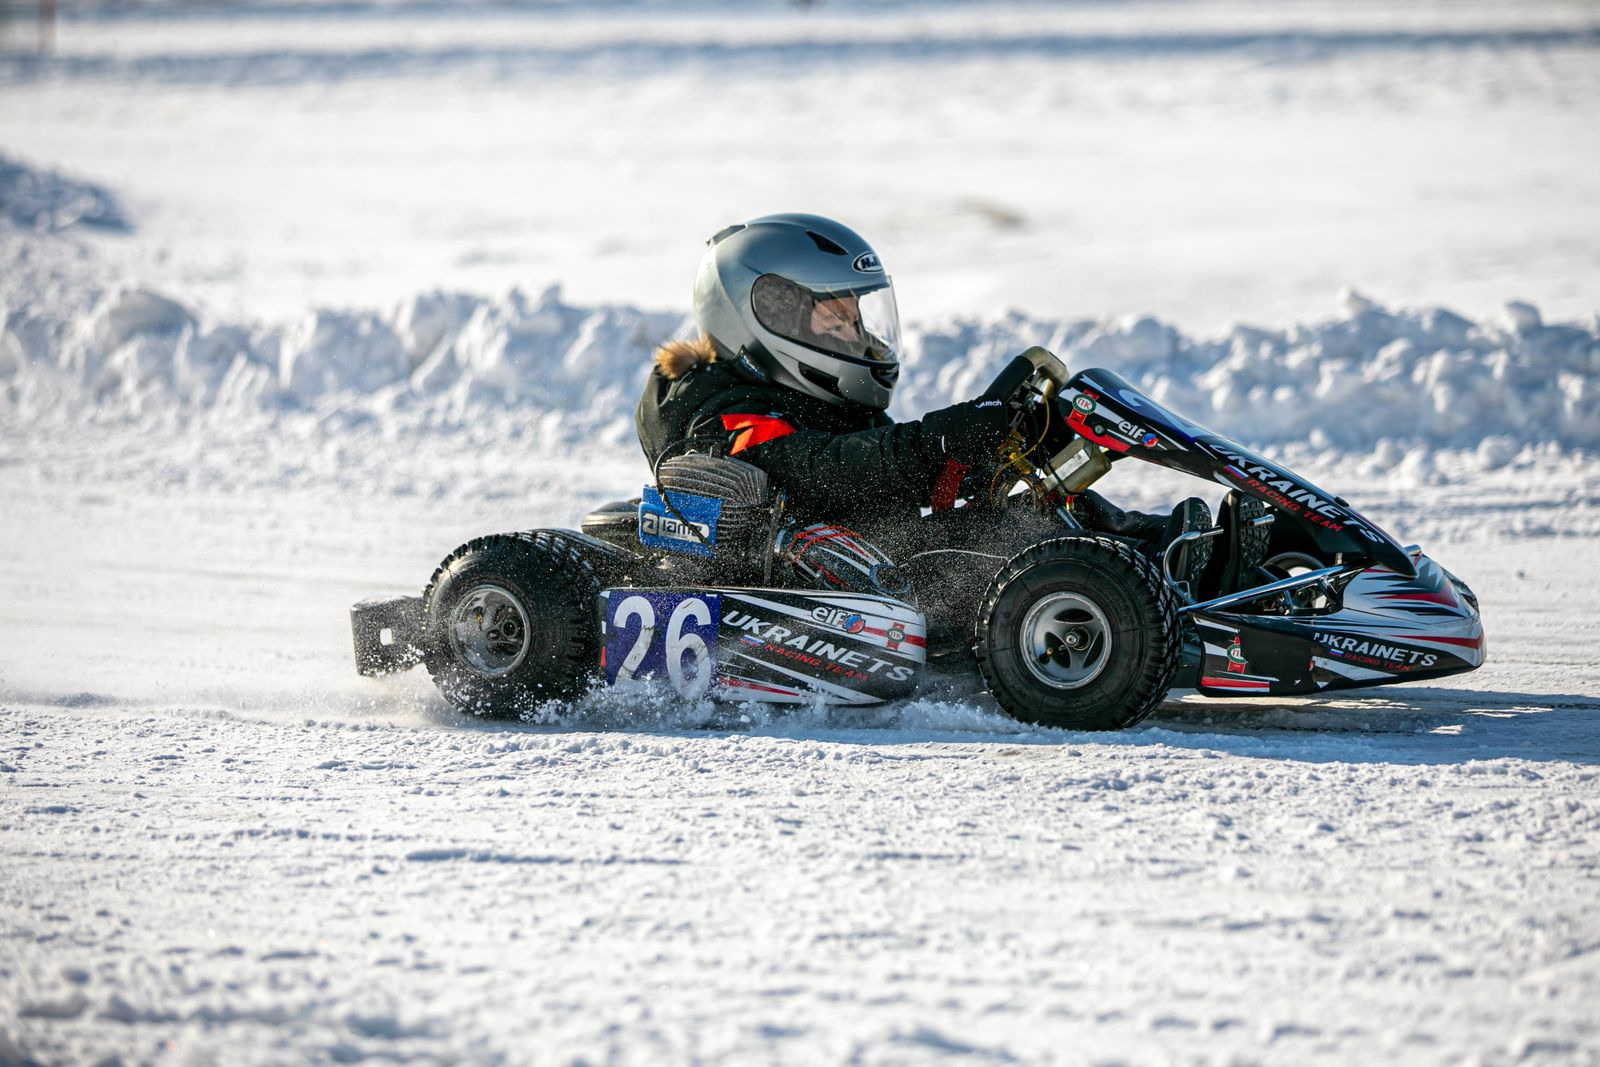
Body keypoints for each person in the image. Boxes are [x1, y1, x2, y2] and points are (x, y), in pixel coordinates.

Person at [634, 213, 1204, 651]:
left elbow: (895, 477)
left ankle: (1183, 557)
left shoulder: (814, 398)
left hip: (875, 548)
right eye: (834, 317)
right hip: (826, 576)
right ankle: (1146, 596)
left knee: (1044, 501)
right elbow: (816, 470)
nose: (854, 332)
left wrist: (988, 450)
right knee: (1005, 533)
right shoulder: (723, 410)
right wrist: (938, 440)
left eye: (856, 316)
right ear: (765, 314)